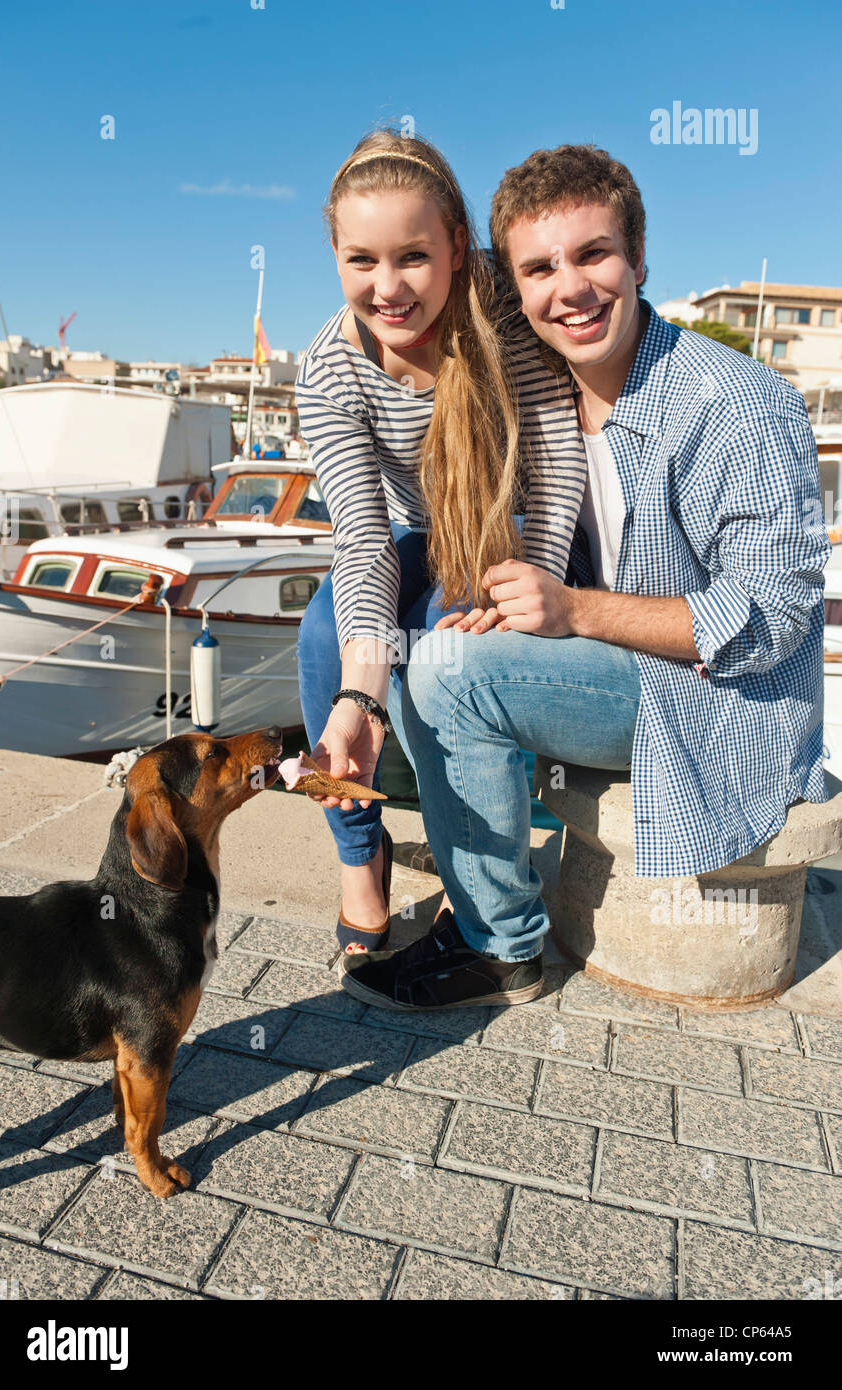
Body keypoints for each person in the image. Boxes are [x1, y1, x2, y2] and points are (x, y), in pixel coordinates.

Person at [339, 143, 830, 1010]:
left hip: (720, 702)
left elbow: (769, 620)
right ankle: (470, 899)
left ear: (638, 258)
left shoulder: (731, 401)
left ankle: (500, 948)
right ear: (511, 285)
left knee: (450, 673)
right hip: (627, 675)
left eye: (593, 254)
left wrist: (573, 611)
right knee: (434, 647)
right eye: (539, 268)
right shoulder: (543, 390)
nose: (568, 288)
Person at [294, 129, 586, 955]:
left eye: (412, 258)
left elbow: (560, 459)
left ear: (458, 248)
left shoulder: (501, 308)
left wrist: (545, 582)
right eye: (361, 261)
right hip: (415, 536)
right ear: (335, 252)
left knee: (449, 657)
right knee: (325, 634)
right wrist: (360, 697)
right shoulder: (328, 370)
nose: (387, 288)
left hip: (513, 530)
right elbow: (359, 539)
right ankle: (362, 857)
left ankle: (478, 882)